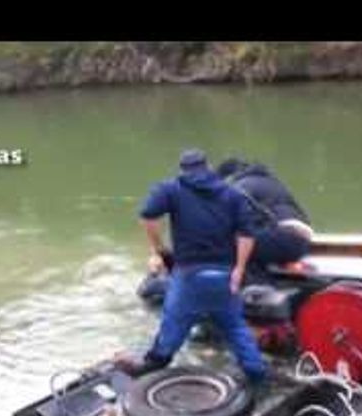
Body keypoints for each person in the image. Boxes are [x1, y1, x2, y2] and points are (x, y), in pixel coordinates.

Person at [127, 149, 267, 383]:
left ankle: (154, 363)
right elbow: (247, 235)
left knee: (173, 322)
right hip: (223, 275)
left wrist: (159, 250)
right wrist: (239, 270)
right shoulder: (232, 194)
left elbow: (147, 217)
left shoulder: (171, 189)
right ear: (208, 166)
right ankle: (256, 372)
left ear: (182, 170)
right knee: (234, 326)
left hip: (189, 276)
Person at [214, 158, 314, 272]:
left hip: (283, 239)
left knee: (227, 243)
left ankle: (253, 282)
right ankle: (287, 264)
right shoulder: (271, 182)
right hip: (303, 243)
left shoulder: (239, 187)